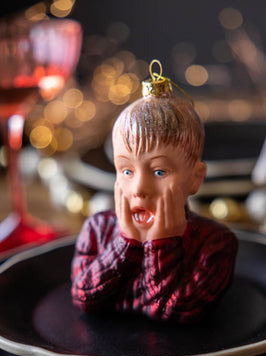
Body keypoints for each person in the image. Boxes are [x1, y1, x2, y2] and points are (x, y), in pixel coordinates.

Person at [71, 61, 238, 323]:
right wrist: (125, 243)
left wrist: (162, 242)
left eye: (159, 172)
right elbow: (84, 298)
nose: (139, 189)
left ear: (195, 179)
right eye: (127, 171)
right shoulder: (97, 229)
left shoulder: (215, 243)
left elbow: (177, 309)